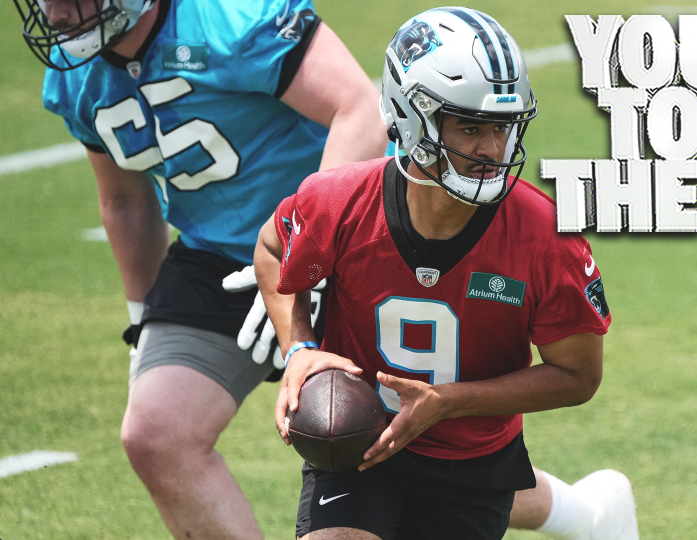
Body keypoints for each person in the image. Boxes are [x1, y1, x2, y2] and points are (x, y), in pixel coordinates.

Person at [254, 7, 639, 539]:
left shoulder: (545, 234)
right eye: (471, 126)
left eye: (503, 128)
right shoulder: (340, 200)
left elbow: (578, 376)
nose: (491, 150)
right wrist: (299, 346)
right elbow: (274, 246)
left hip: (470, 461)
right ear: (409, 118)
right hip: (359, 442)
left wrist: (449, 403)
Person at [15, 0, 387, 538]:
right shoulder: (75, 74)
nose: (52, 11)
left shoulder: (234, 19)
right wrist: (141, 323)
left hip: (346, 231)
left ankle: (558, 510)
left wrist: (309, 253)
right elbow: (126, 202)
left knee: (398, 447)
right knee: (157, 433)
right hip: (218, 255)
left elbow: (359, 109)